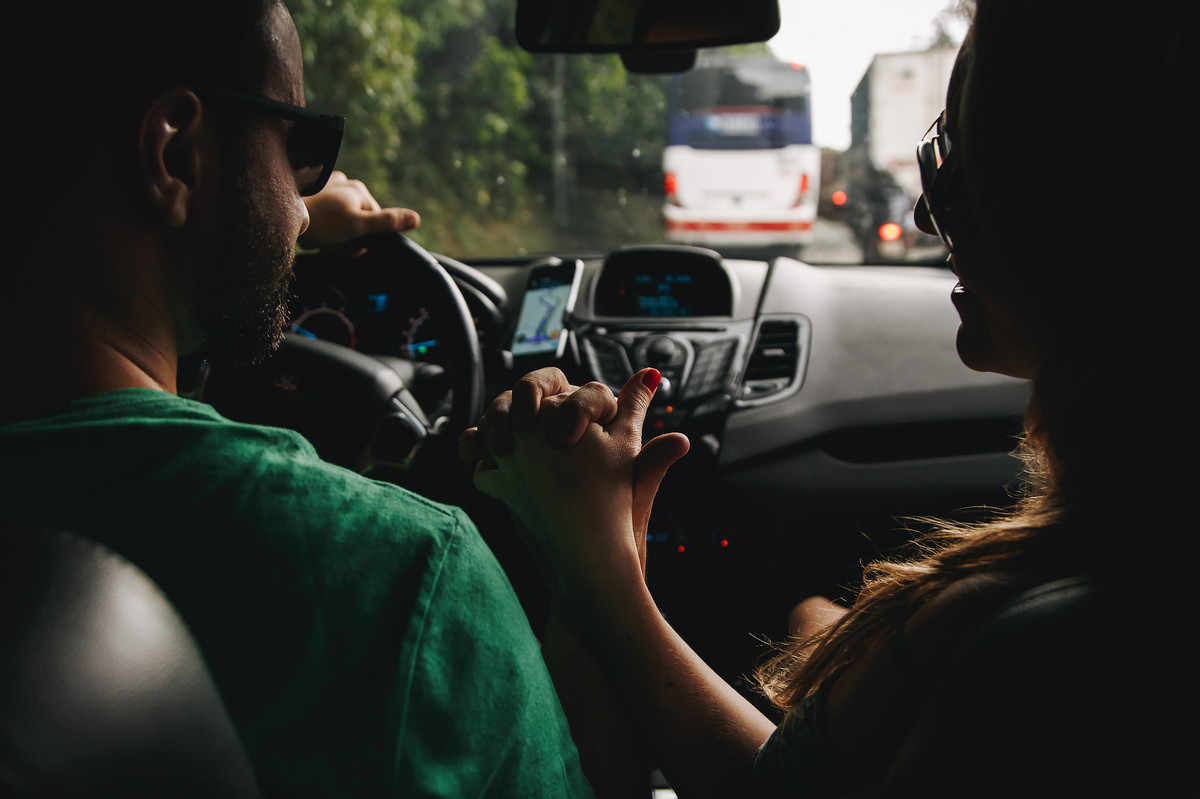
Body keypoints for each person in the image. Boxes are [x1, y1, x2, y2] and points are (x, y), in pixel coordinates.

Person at [460, 1, 1194, 795]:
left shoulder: (1016, 647)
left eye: (953, 156)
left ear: (1078, 201)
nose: (922, 210)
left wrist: (590, 563)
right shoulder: (1123, 564)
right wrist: (854, 648)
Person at [0, 2, 593, 797]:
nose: (300, 197)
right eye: (300, 149)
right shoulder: (403, 580)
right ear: (173, 151)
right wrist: (591, 570)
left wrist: (278, 213)